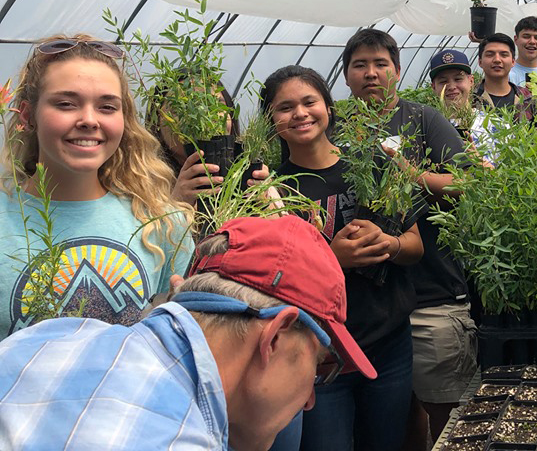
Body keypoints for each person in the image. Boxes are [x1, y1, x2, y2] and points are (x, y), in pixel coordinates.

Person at [0, 214, 375, 451]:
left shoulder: (51, 336)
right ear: (275, 336)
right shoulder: (178, 439)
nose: (310, 399)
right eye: (318, 367)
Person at [262, 65, 423, 451]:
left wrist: (389, 243)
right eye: (284, 108)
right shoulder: (271, 190)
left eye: (308, 102)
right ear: (270, 120)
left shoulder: (373, 165)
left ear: (329, 108)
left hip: (388, 344)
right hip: (319, 356)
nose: (299, 113)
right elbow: (273, 282)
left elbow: (416, 247)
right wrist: (332, 258)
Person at [0, 35, 193, 338]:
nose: (89, 120)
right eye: (66, 104)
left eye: (106, 107)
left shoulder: (163, 224)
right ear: (27, 115)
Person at [341, 29, 476, 448]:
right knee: (397, 415)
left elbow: (467, 182)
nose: (371, 73)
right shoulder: (337, 126)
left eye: (381, 64)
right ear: (346, 76)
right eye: (360, 65)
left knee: (443, 412)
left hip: (429, 290)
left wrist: (411, 173)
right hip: (368, 306)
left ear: (397, 72)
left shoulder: (422, 119)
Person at [428, 49, 495, 165]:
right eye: (443, 81)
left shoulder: (494, 125)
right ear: (433, 87)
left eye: (458, 79)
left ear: (471, 81)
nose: (451, 86)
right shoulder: (429, 129)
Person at [474, 33, 535, 122]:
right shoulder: (471, 98)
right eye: (490, 54)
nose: (497, 60)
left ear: (513, 61)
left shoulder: (528, 98)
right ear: (480, 62)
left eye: (504, 55)